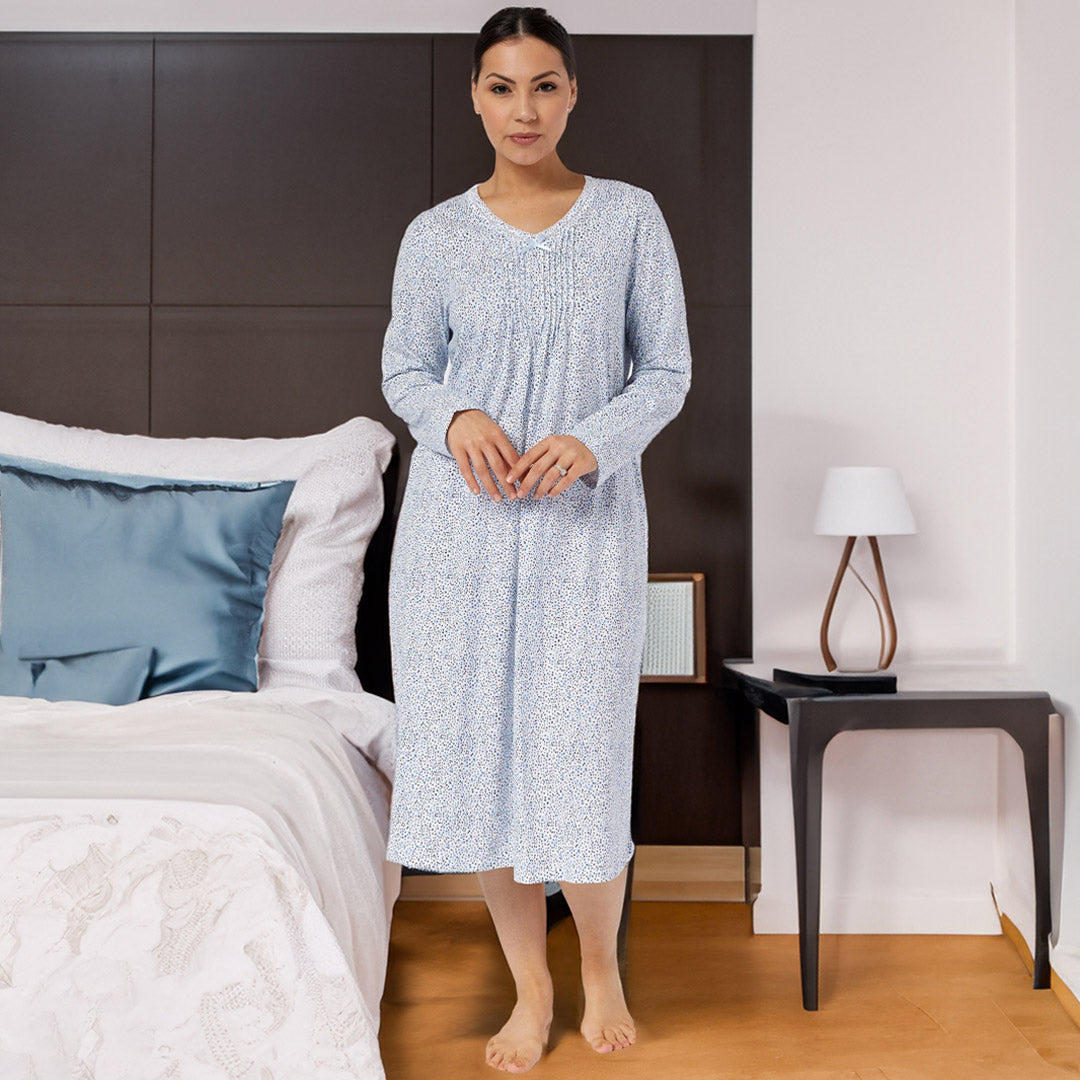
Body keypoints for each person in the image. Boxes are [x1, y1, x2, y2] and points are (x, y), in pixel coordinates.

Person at [380, 6, 692, 1073]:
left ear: (572, 94)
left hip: (585, 530)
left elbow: (667, 370)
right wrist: (455, 418)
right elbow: (406, 372)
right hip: (457, 539)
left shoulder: (629, 220)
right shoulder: (434, 236)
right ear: (475, 95)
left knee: (581, 757)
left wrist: (591, 440)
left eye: (545, 85)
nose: (525, 108)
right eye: (503, 87)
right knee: (482, 766)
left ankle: (600, 968)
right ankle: (531, 987)